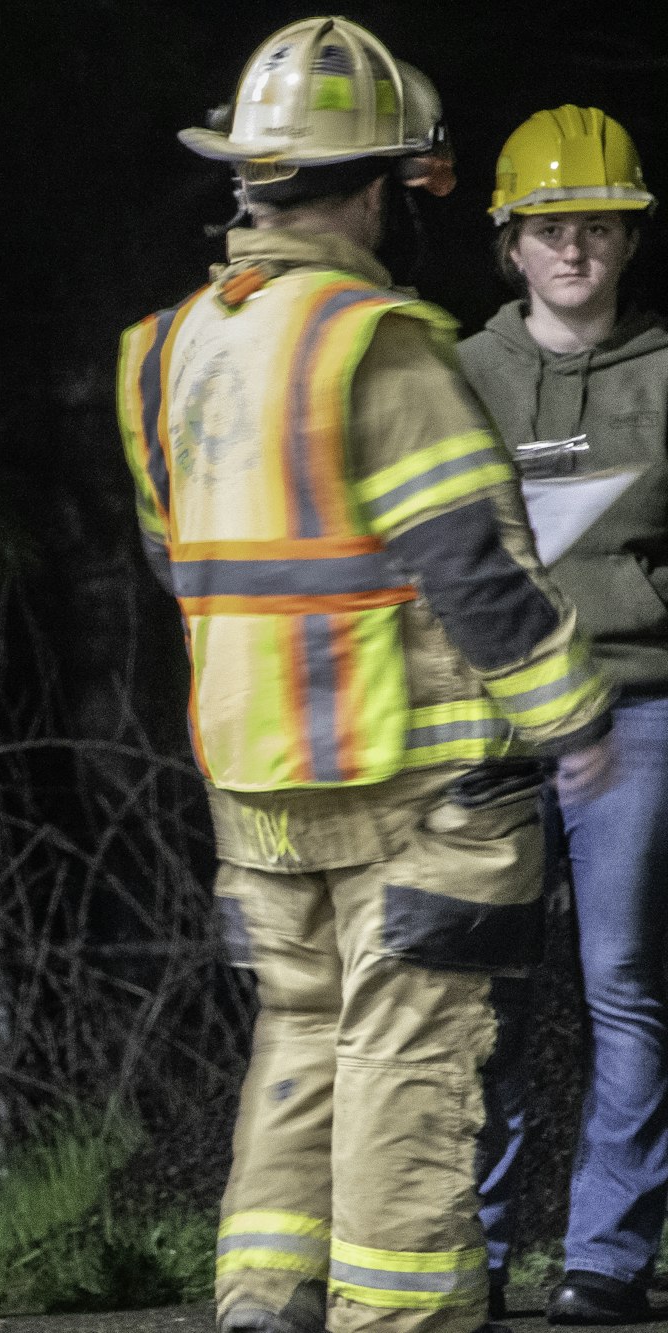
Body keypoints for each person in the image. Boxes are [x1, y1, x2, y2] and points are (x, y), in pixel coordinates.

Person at [116, 19, 615, 1333]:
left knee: (296, 1042)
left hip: (254, 779)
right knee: (409, 1066)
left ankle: (263, 1301)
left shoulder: (168, 352)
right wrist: (574, 720)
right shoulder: (374, 340)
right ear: (378, 186)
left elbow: (187, 564)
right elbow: (478, 570)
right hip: (411, 782)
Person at [463, 105, 668, 1327]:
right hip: (488, 731)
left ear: (627, 239)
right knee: (483, 991)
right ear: (510, 241)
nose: (573, 248)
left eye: (596, 223)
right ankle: (469, 1249)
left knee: (623, 978)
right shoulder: (459, 372)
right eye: (549, 227)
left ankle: (605, 1253)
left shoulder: (663, 373)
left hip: (634, 712)